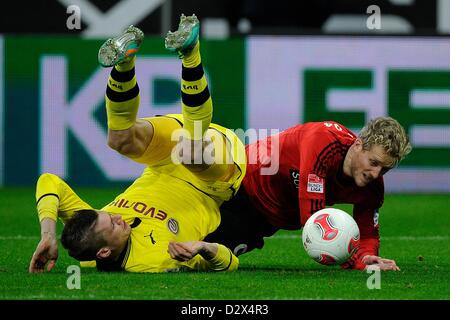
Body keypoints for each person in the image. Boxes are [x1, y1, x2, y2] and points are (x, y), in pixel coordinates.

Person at [29, 14, 246, 273]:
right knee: (190, 151)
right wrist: (205, 249)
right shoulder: (155, 260)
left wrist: (48, 234)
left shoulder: (91, 233)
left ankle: (125, 62)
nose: (118, 216)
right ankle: (190, 52)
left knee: (120, 140)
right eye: (113, 223)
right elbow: (231, 263)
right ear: (105, 252)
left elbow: (49, 181)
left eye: (109, 215)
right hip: (214, 177)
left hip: (164, 160)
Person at [205, 117, 412, 271]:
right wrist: (351, 260)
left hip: (267, 218)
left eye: (384, 169)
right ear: (358, 145)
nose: (376, 174)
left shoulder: (372, 186)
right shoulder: (323, 142)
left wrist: (367, 260)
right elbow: (313, 221)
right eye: (373, 163)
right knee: (191, 239)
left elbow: (368, 235)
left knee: (208, 257)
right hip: (240, 180)